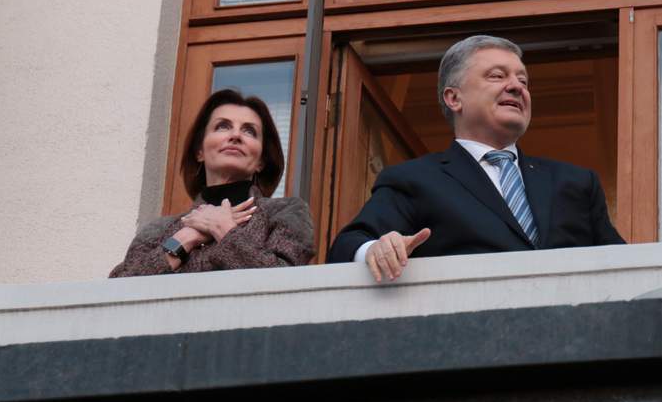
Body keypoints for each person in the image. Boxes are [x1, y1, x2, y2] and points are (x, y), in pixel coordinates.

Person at [328, 34, 624, 282]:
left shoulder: (576, 182)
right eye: (497, 76)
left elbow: (622, 266)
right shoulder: (414, 180)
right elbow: (347, 246)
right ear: (454, 98)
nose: (517, 87)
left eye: (523, 80)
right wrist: (377, 250)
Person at [110, 89, 314, 277]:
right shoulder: (159, 230)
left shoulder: (286, 213)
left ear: (261, 161)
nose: (236, 135)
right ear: (199, 151)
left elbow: (282, 282)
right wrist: (184, 238)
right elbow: (119, 289)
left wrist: (223, 228)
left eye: (249, 131)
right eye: (222, 126)